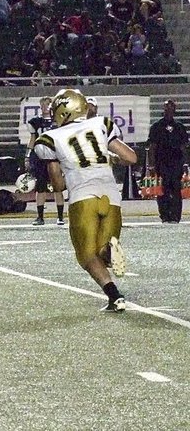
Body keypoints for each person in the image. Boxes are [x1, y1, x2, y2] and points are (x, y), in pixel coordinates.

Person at [35, 89, 137, 312]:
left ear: (63, 111)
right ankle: (108, 253)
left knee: (86, 255)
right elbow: (131, 157)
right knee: (100, 250)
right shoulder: (100, 124)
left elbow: (59, 185)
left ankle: (115, 295)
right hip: (111, 196)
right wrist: (111, 159)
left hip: (83, 198)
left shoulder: (50, 139)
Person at [25, 96, 65, 225]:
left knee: (58, 187)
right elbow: (32, 139)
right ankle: (40, 216)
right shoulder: (35, 121)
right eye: (42, 105)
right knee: (40, 187)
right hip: (40, 157)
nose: (44, 107)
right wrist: (27, 156)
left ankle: (60, 216)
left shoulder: (59, 120)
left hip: (54, 157)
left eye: (47, 104)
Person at [147, 99, 188, 223]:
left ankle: (176, 216)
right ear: (163, 110)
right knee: (162, 190)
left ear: (175, 110)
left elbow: (184, 147)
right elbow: (152, 147)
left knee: (176, 189)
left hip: (176, 163)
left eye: (171, 108)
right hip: (161, 163)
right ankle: (165, 215)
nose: (169, 110)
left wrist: (186, 163)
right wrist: (151, 165)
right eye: (166, 108)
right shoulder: (156, 127)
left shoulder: (180, 127)